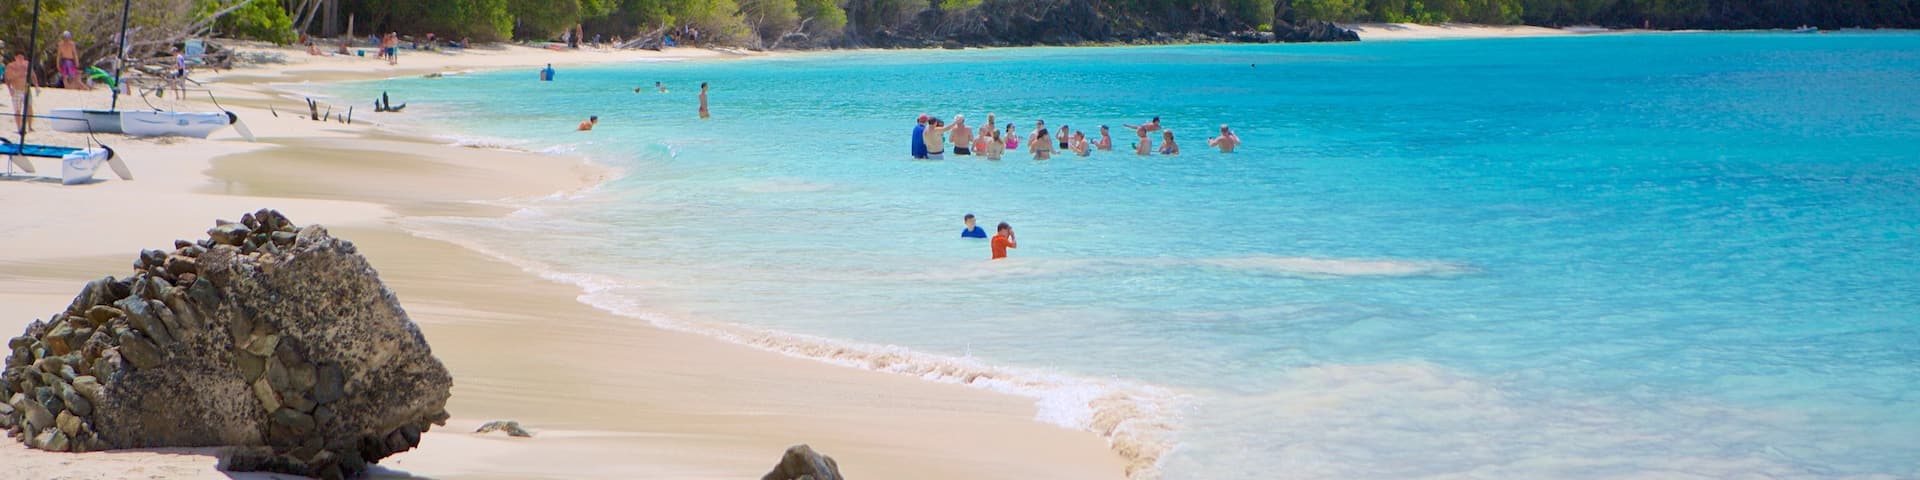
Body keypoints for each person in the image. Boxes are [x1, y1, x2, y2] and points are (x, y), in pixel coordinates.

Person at [6, 54, 34, 132]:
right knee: (17, 109)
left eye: (22, 57)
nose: (20, 59)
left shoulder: (27, 64)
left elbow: (32, 74)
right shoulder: (11, 66)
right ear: (15, 58)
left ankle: (30, 126)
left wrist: (37, 85)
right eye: (19, 57)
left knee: (29, 108)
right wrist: (10, 89)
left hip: (26, 89)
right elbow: (7, 78)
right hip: (16, 90)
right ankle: (19, 128)